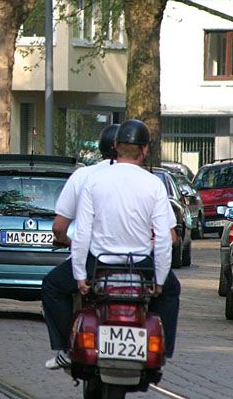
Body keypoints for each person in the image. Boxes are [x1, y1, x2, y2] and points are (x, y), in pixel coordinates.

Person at [42, 120, 181, 369]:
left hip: (98, 262)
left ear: (116, 146)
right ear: (145, 150)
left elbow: (83, 231)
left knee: (52, 285)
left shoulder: (94, 181)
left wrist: (80, 275)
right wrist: (159, 280)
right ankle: (162, 353)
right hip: (140, 265)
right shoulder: (153, 184)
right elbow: (164, 238)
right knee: (171, 291)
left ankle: (66, 348)